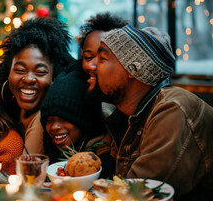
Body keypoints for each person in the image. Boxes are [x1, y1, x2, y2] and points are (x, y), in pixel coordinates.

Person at [87, 24, 213, 200]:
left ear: (133, 69)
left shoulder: (173, 110)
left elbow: (134, 194)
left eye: (102, 58)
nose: (91, 66)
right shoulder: (125, 115)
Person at [0, 17, 74, 155]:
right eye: (19, 70)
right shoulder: (5, 106)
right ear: (8, 72)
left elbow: (27, 173)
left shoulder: (44, 119)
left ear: (54, 77)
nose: (29, 79)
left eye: (40, 72)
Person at [40, 60, 115, 178]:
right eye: (49, 120)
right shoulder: (49, 152)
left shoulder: (103, 160)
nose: (54, 127)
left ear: (84, 120)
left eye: (64, 118)